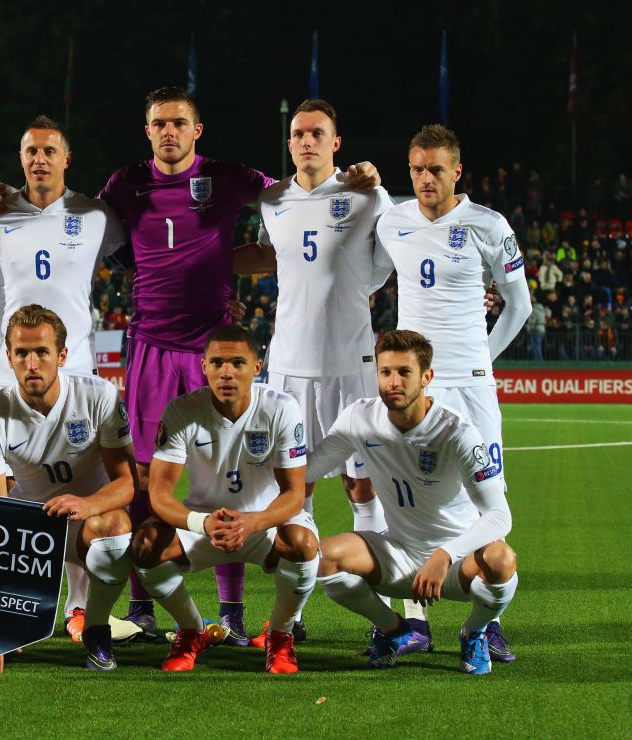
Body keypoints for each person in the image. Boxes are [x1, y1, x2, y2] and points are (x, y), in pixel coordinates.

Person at [99, 87, 378, 644]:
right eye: (159, 123)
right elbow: (106, 240)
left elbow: (296, 197)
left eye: (179, 122)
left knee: (229, 473)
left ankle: (230, 611)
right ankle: (141, 604)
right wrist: (159, 269)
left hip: (214, 343)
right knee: (144, 474)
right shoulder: (124, 183)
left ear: (196, 129)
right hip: (152, 343)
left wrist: (352, 174)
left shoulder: (231, 177)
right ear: (146, 129)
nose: (169, 131)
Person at [234, 99, 395, 645]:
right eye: (299, 133)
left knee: (362, 485)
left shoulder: (367, 195)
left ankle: (386, 613)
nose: (306, 141)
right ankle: (293, 614)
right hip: (288, 368)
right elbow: (269, 259)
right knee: (292, 491)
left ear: (336, 142)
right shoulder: (272, 200)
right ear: (290, 142)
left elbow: (390, 258)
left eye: (317, 133)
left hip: (351, 367)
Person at [0, 116, 127, 641]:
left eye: (49, 151)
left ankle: (79, 609)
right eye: (31, 151)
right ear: (20, 157)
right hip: (12, 371)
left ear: (66, 159)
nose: (39, 159)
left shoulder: (96, 214)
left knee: (84, 486)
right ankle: (12, 603)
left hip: (77, 368)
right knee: (10, 488)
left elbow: (137, 265)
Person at [375, 124, 530, 659]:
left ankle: (484, 623)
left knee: (487, 500)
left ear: (457, 171)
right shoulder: (391, 220)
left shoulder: (489, 224)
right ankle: (411, 618)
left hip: (470, 387)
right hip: (415, 390)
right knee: (407, 492)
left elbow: (520, 304)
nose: (424, 179)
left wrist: (482, 358)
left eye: (435, 169)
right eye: (416, 168)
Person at [314, 330, 519, 675]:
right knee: (324, 557)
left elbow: (499, 516)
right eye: (385, 372)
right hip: (400, 556)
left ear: (427, 377)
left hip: (458, 563)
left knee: (501, 560)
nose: (393, 382)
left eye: (404, 372)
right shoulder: (359, 419)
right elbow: (305, 470)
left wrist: (445, 555)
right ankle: (394, 629)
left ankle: (475, 632)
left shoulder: (458, 432)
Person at [0, 305, 136, 672]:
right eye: (22, 353)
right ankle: (16, 616)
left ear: (63, 355)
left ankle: (96, 628)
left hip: (86, 524)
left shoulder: (99, 396)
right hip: (28, 537)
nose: (32, 363)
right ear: (9, 357)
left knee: (115, 528)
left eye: (42, 352)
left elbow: (127, 483)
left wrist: (87, 505)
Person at [130, 324, 318, 673]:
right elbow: (158, 493)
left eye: (237, 363)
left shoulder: (281, 408)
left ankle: (280, 634)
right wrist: (200, 522)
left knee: (304, 543)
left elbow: (294, 493)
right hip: (206, 522)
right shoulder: (183, 410)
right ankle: (192, 630)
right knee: (145, 545)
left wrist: (253, 522)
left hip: (264, 522)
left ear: (256, 368)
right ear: (204, 367)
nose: (226, 372)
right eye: (217, 363)